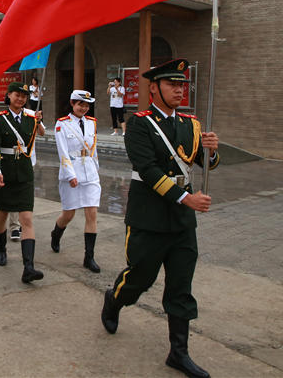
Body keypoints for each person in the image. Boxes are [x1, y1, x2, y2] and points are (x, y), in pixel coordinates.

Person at [101, 59, 220, 378]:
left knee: (181, 285)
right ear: (153, 88)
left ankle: (178, 353)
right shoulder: (139, 124)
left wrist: (211, 151)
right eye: (172, 84)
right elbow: (148, 169)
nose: (180, 90)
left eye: (182, 85)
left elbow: (204, 163)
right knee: (140, 278)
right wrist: (186, 198)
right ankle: (114, 300)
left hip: (181, 222)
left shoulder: (192, 124)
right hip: (149, 218)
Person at [0, 82, 45, 283]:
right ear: (9, 96)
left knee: (26, 219)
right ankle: (1, 249)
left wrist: (39, 121)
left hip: (24, 174)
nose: (20, 98)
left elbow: (41, 134)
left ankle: (28, 267)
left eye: (24, 96)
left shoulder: (31, 118)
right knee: (2, 214)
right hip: (4, 173)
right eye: (17, 95)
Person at [51, 90, 102, 273]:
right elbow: (62, 151)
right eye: (80, 104)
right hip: (71, 171)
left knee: (92, 213)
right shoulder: (62, 124)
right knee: (69, 214)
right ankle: (56, 233)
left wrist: (96, 168)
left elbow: (93, 148)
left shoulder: (92, 122)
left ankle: (89, 257)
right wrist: (70, 175)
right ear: (72, 103)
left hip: (90, 172)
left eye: (87, 105)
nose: (84, 108)